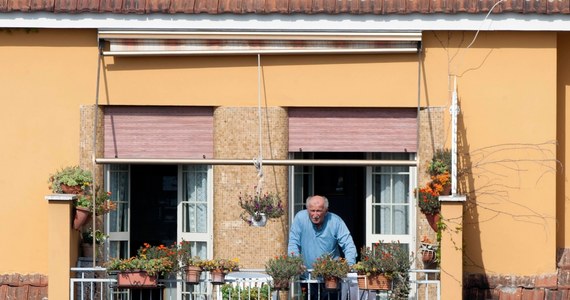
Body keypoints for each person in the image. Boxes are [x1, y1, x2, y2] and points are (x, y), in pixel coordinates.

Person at [288, 195, 357, 300]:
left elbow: (348, 245)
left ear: (326, 211)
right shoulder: (300, 218)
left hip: (331, 277)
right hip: (307, 276)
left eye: (319, 211)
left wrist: (349, 265)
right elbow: (293, 243)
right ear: (307, 210)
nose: (315, 215)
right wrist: (295, 262)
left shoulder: (335, 221)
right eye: (312, 211)